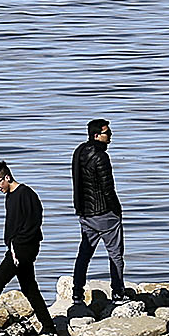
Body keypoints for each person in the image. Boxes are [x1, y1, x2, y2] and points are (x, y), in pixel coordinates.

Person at [0, 161, 65, 336]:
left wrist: (17, 247)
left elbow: (34, 222)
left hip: (23, 249)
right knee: (29, 287)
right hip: (16, 248)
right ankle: (49, 326)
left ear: (7, 177)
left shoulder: (26, 194)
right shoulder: (10, 195)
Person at [71, 118, 128, 303]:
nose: (110, 136)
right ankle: (118, 293)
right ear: (96, 135)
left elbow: (77, 183)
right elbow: (107, 188)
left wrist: (79, 209)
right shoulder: (100, 156)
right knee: (115, 255)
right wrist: (117, 210)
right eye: (107, 133)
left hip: (85, 213)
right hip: (104, 213)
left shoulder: (79, 151)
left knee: (84, 254)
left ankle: (77, 293)